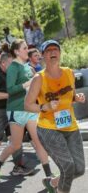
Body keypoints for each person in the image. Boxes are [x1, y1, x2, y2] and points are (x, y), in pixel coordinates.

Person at [25, 40, 86, 193]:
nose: (53, 52)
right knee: (68, 166)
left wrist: (76, 98)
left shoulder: (69, 72)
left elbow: (69, 97)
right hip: (48, 128)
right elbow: (27, 105)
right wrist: (44, 107)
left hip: (70, 126)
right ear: (43, 56)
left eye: (55, 49)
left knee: (79, 169)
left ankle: (53, 182)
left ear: (59, 53)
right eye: (48, 50)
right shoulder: (39, 78)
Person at [0, 39, 52, 183]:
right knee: (16, 145)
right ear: (17, 51)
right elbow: (10, 90)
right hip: (16, 111)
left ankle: (49, 176)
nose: (27, 50)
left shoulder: (26, 67)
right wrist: (27, 84)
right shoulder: (13, 67)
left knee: (38, 142)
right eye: (24, 48)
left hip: (30, 109)